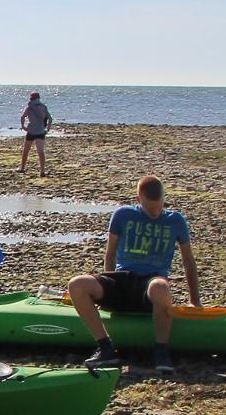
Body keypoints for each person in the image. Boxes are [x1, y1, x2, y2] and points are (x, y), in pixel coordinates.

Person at [65, 176, 200, 373]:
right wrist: (104, 293)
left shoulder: (175, 220)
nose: (155, 212)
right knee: (77, 284)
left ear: (164, 198)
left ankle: (161, 350)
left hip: (150, 284)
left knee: (161, 287)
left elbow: (188, 261)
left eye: (158, 206)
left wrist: (194, 300)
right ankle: (105, 348)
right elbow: (110, 254)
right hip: (122, 280)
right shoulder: (122, 215)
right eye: (149, 208)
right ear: (138, 199)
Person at [18, 92, 52, 176]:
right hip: (40, 131)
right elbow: (50, 119)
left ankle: (22, 168)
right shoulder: (43, 107)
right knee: (40, 151)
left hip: (31, 131)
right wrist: (47, 129)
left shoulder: (29, 107)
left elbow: (22, 117)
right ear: (39, 98)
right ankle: (42, 171)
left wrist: (23, 126)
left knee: (26, 150)